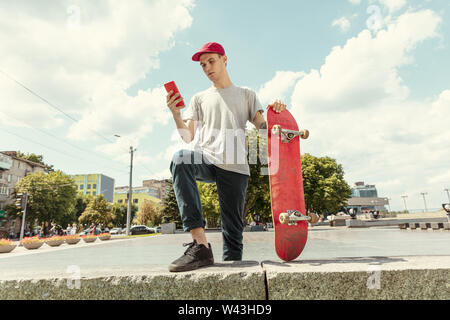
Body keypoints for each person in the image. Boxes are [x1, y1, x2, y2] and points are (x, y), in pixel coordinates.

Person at [166, 42, 286, 272]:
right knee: (181, 158)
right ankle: (200, 245)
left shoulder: (246, 94)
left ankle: (232, 281)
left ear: (224, 59)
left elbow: (264, 128)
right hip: (207, 160)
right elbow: (188, 136)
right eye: (203, 65)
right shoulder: (199, 98)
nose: (207, 67)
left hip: (236, 167)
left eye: (211, 61)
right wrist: (175, 114)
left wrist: (276, 113)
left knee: (232, 236)